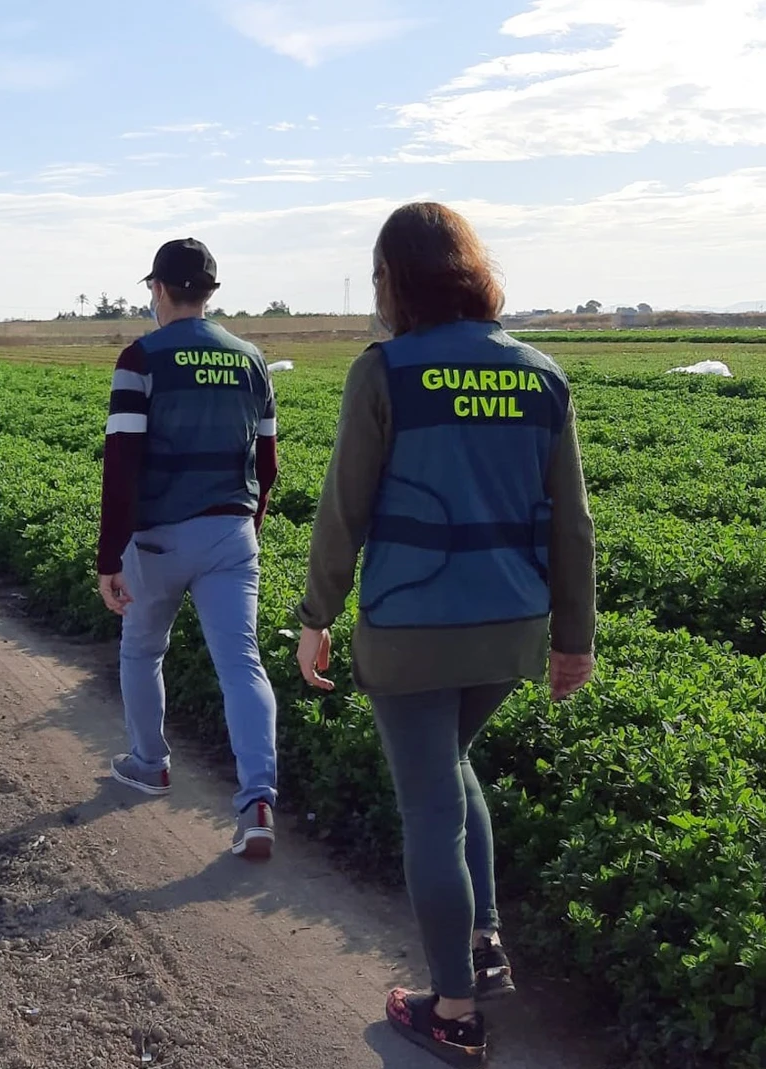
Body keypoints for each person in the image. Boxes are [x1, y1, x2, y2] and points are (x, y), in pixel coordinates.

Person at [294, 202, 596, 1065]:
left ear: (395, 279)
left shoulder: (387, 371)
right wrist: (574, 638)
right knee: (452, 768)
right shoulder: (540, 374)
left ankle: (455, 1009)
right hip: (509, 630)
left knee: (429, 799)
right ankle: (483, 937)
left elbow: (343, 508)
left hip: (412, 630)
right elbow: (571, 525)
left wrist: (315, 616)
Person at [96, 237, 281, 859]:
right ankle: (257, 800)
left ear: (158, 289)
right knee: (243, 665)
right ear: (208, 292)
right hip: (232, 535)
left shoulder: (140, 359)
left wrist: (109, 557)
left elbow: (121, 465)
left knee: (143, 649)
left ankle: (150, 764)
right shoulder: (251, 359)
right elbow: (268, 462)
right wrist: (248, 523)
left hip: (158, 540)